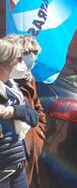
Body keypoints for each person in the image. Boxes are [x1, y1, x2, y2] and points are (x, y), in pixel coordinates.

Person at [5, 35, 46, 187]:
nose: (31, 63)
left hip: (30, 149)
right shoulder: (5, 82)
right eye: (28, 56)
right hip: (9, 155)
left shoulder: (29, 79)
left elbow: (38, 109)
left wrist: (39, 133)